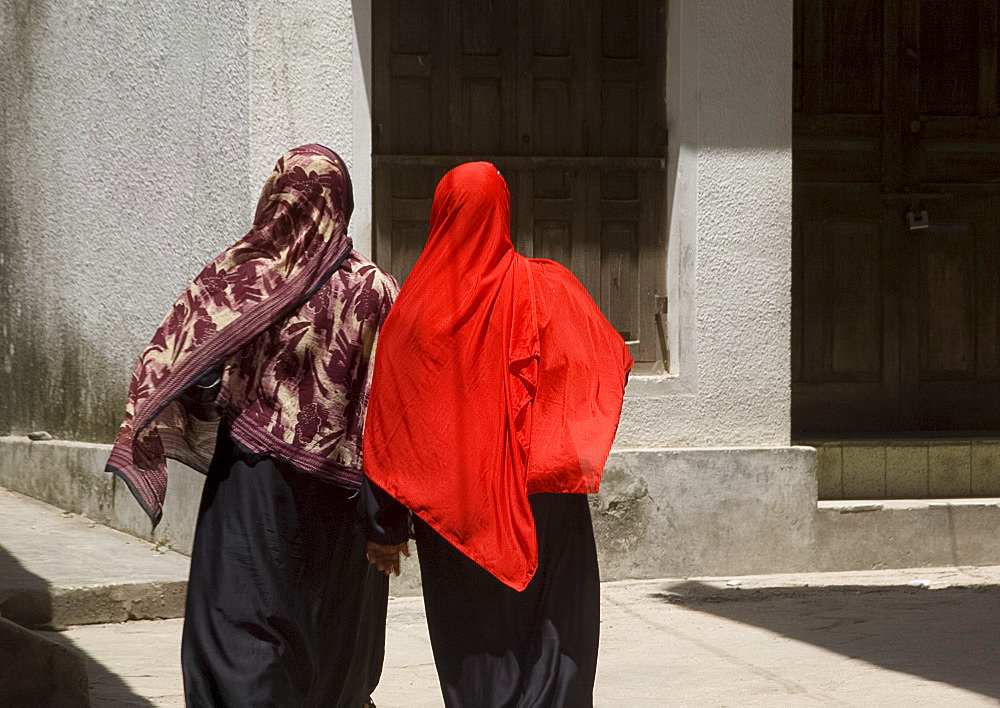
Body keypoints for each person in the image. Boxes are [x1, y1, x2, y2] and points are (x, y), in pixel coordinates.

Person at [105, 144, 399, 707]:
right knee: (331, 644)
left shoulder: (243, 276)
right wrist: (389, 519)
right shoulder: (376, 289)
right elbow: (388, 409)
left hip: (250, 490)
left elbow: (181, 363)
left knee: (238, 639)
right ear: (342, 205)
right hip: (342, 501)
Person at [362, 162, 633, 707]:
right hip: (547, 504)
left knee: (475, 648)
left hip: (458, 513)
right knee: (556, 642)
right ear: (504, 212)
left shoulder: (414, 313)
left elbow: (393, 424)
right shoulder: (551, 286)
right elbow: (606, 361)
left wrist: (385, 525)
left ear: (440, 215)